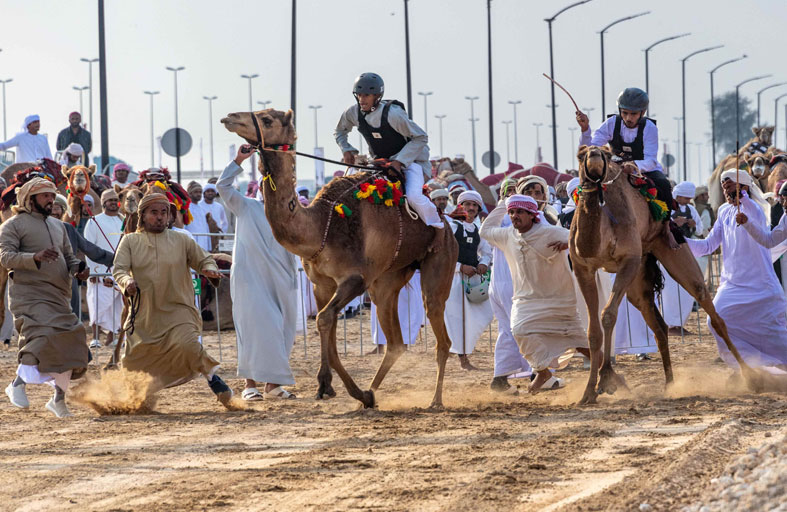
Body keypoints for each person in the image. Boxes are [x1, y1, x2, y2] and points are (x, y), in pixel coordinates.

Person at [112, 193, 233, 407]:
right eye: (154, 213)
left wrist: (209, 269)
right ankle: (137, 401)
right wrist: (127, 282)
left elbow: (203, 258)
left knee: (188, 345)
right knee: (134, 362)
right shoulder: (130, 241)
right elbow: (119, 269)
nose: (159, 217)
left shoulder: (182, 239)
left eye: (163, 213)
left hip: (179, 309)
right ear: (143, 216)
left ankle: (215, 380)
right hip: (145, 313)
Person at [480, 195, 592, 392]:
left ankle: (606, 370)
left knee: (578, 342)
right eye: (512, 212)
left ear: (532, 215)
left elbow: (584, 240)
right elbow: (485, 230)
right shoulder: (507, 235)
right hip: (526, 300)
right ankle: (542, 372)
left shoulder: (550, 232)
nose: (514, 216)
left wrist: (569, 245)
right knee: (519, 330)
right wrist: (501, 204)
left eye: (519, 212)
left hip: (559, 300)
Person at [1, 178, 91, 417]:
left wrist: (78, 268)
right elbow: (5, 257)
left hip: (58, 295)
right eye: (45, 196)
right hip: (29, 295)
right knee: (42, 337)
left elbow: (69, 257)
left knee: (72, 338)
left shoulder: (58, 226)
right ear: (30, 199)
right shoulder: (13, 225)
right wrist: (35, 257)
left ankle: (58, 400)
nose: (51, 200)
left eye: (52, 196)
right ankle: (17, 384)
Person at [216, 146, 299, 401]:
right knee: (252, 329)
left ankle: (273, 386)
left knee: (281, 330)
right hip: (250, 281)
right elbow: (223, 186)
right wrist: (239, 160)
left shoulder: (291, 215)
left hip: (282, 281)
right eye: (267, 186)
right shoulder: (247, 207)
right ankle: (249, 384)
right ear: (260, 189)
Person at [687, 170, 787, 372]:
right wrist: (680, 242)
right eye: (724, 186)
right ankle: (749, 366)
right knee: (715, 321)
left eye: (730, 185)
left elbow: (765, 236)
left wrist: (743, 202)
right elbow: (707, 246)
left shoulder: (754, 209)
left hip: (761, 285)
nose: (725, 189)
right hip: (732, 284)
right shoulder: (724, 211)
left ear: (743, 186)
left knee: (774, 336)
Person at [334, 72, 443, 228]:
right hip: (379, 162)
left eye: (366, 95)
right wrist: (346, 149)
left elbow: (421, 137)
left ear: (377, 96)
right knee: (348, 186)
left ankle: (437, 226)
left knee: (413, 197)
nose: (362, 99)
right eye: (359, 95)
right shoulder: (352, 112)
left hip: (412, 162)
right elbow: (340, 132)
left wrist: (399, 162)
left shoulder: (394, 115)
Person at [576, 88, 678, 249]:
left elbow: (651, 159)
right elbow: (591, 149)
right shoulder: (611, 123)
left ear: (642, 113)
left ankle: (666, 228)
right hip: (615, 167)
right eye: (625, 113)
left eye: (633, 114)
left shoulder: (650, 127)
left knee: (664, 184)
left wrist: (635, 165)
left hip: (643, 169)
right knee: (585, 185)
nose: (628, 118)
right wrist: (585, 129)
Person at [489, 179, 532, 394]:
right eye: (509, 192)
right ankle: (539, 373)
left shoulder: (517, 215)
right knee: (524, 325)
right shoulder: (503, 217)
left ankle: (500, 379)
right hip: (507, 280)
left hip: (505, 280)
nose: (512, 195)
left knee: (508, 330)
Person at [444, 190, 493, 370]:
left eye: (474, 205)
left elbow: (487, 252)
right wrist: (459, 267)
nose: (471, 208)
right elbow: (444, 254)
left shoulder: (479, 229)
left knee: (483, 314)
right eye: (467, 204)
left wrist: (484, 264)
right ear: (460, 206)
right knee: (456, 318)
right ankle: (463, 358)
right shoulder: (452, 226)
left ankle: (462, 349)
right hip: (454, 279)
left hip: (473, 279)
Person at [51, 193, 114, 319]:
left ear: (63, 211)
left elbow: (89, 248)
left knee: (71, 319)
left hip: (68, 280)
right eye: (51, 207)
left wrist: (117, 259)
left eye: (57, 207)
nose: (54, 211)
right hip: (45, 282)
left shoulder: (68, 229)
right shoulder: (37, 229)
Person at [661, 181, 704, 336]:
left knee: (687, 289)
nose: (687, 201)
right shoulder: (666, 207)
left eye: (688, 198)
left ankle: (679, 324)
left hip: (686, 250)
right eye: (685, 198)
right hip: (667, 252)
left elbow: (699, 230)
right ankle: (670, 324)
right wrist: (673, 223)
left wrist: (692, 224)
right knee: (670, 290)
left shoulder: (691, 210)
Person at [83, 189, 124, 349]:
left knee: (117, 305)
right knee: (97, 304)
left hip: (119, 270)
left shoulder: (123, 220)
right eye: (110, 200)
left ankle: (112, 337)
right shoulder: (94, 221)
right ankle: (95, 338)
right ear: (104, 203)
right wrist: (93, 271)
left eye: (115, 200)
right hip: (100, 270)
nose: (113, 203)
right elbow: (88, 246)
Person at [737, 180, 787, 293]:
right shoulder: (785, 219)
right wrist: (747, 223)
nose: (784, 205)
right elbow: (769, 240)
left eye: (786, 200)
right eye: (783, 200)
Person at [369, 272, 424, 352]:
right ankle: (380, 346)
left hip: (407, 275)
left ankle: (403, 346)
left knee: (407, 312)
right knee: (381, 310)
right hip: (385, 274)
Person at [185, 181, 211, 251]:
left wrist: (209, 245)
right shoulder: (186, 207)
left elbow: (206, 228)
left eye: (200, 192)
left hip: (203, 243)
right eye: (196, 192)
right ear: (190, 193)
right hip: (191, 242)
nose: (199, 194)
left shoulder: (202, 208)